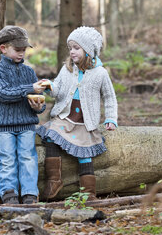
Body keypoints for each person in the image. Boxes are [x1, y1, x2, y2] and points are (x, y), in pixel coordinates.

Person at [37, 26, 118, 201]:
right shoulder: (66, 70)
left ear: (88, 50)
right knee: (51, 135)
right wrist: (50, 86)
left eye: (76, 48)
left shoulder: (100, 73)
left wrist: (111, 118)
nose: (72, 52)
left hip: (84, 122)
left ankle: (88, 194)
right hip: (65, 117)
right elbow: (57, 90)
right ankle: (54, 179)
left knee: (85, 153)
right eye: (70, 48)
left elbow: (109, 97)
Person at [0, 25, 47, 205]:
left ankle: (30, 193)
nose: (21, 54)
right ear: (3, 48)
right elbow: (3, 93)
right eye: (18, 50)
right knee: (7, 159)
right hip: (4, 127)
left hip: (27, 126)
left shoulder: (28, 72)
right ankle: (9, 193)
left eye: (24, 50)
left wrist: (38, 106)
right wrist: (29, 88)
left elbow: (39, 101)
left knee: (28, 158)